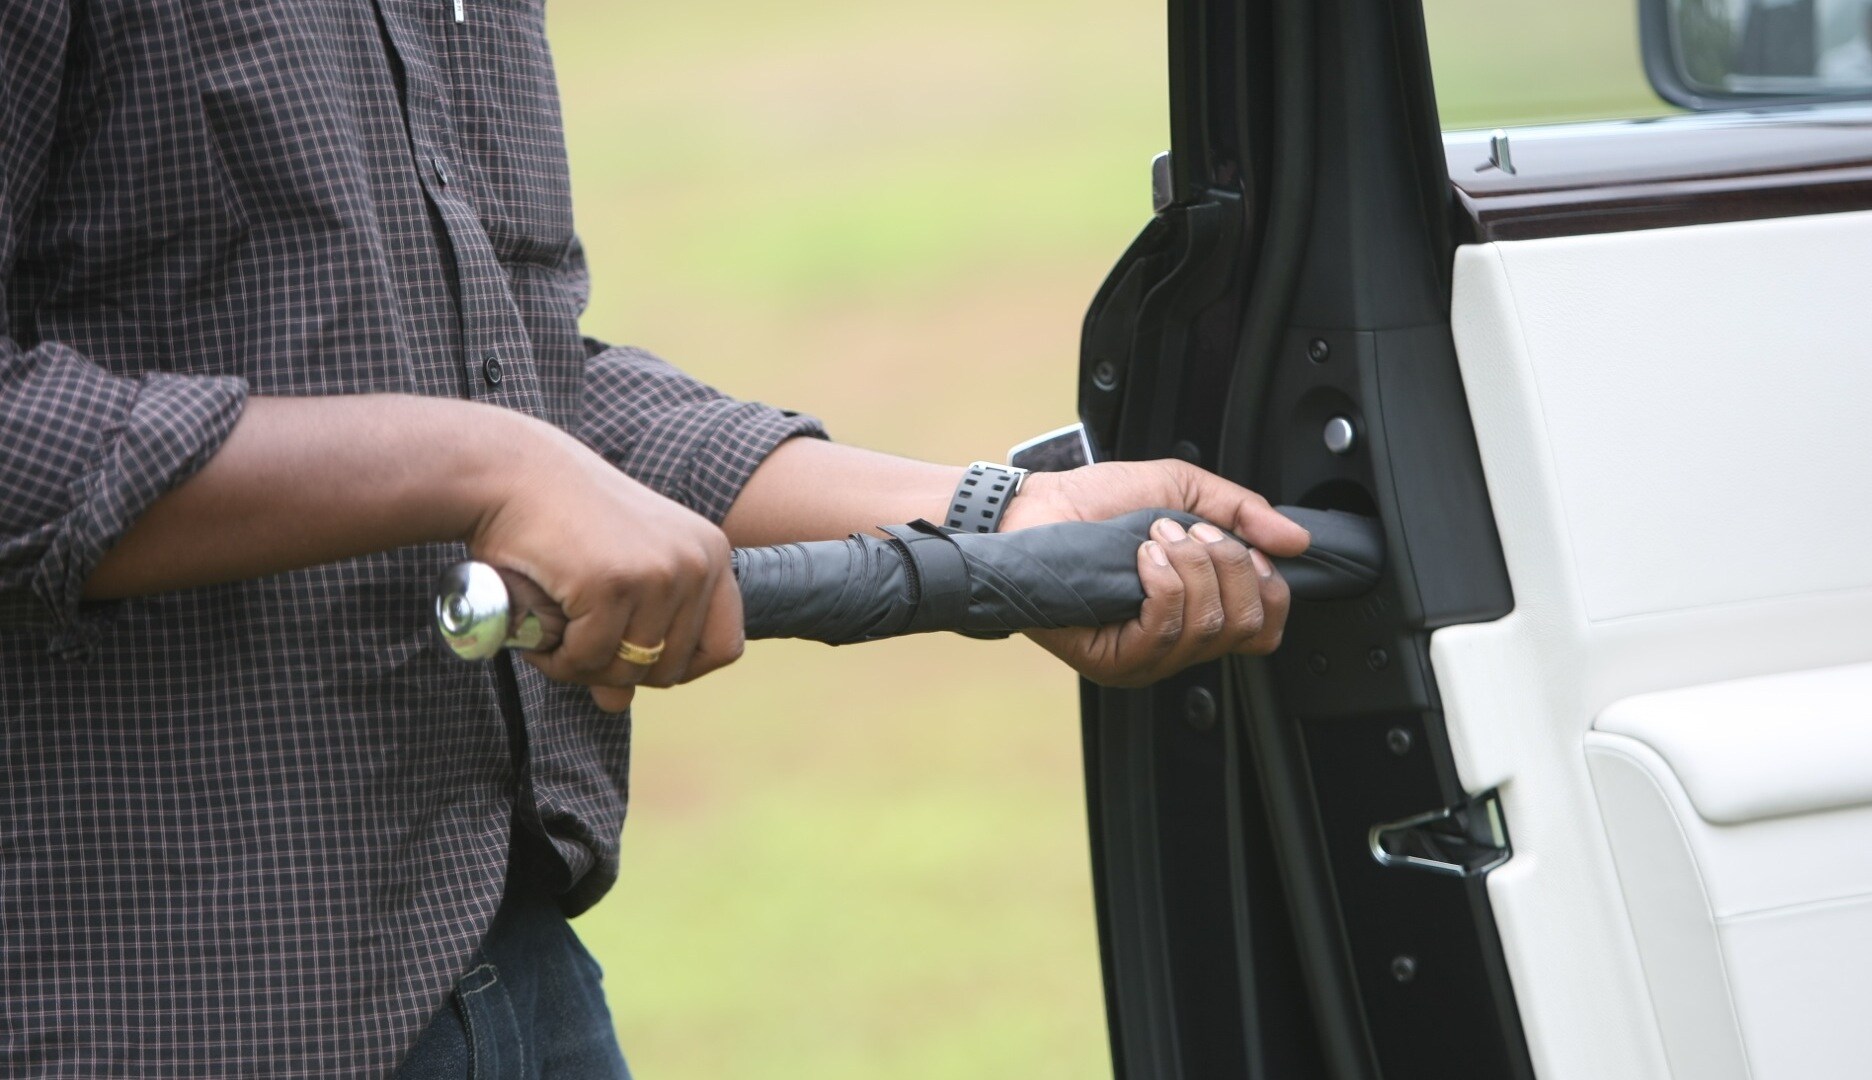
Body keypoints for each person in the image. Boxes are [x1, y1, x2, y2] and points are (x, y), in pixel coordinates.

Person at [0, 2, 1308, 1075]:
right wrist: (482, 465)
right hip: (149, 1003)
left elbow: (521, 380)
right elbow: (503, 440)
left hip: (508, 967)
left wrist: (993, 521)